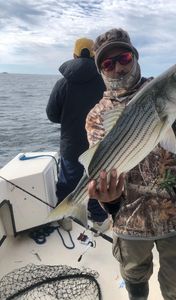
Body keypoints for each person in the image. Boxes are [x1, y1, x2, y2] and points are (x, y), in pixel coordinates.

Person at [86, 28, 176, 300]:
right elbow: (103, 169)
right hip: (128, 221)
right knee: (134, 278)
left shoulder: (167, 91)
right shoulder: (96, 116)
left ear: (135, 57)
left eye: (124, 57)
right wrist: (110, 203)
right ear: (101, 70)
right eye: (107, 63)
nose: (117, 67)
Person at [46, 38, 110, 232]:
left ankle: (65, 218)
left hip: (70, 145)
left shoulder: (62, 84)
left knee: (67, 183)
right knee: (95, 182)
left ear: (74, 55)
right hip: (98, 146)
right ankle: (99, 219)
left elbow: (52, 115)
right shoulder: (105, 81)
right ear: (95, 56)